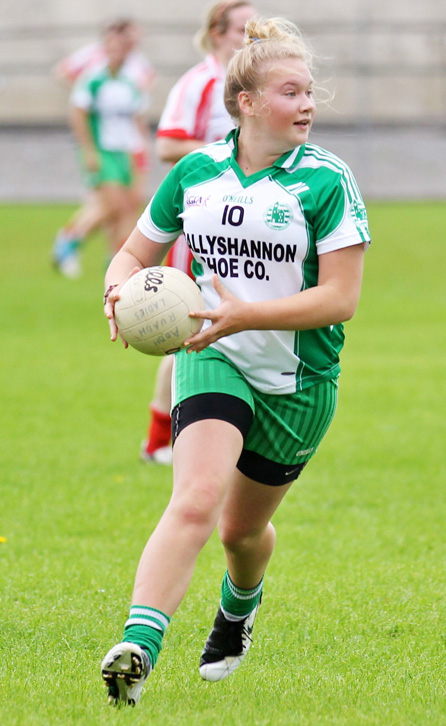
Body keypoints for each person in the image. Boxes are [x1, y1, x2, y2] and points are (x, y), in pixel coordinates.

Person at [101, 16, 371, 706]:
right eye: (290, 91)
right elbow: (137, 252)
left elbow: (339, 300)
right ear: (246, 102)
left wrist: (245, 314)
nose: (307, 104)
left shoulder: (327, 182)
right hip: (211, 356)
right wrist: (117, 285)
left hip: (299, 379)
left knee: (240, 531)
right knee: (192, 500)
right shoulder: (196, 174)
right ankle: (137, 647)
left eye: (310, 91)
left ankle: (237, 610)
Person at [140, 0, 256, 465]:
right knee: (191, 332)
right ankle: (161, 439)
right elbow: (168, 142)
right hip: (201, 231)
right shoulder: (201, 82)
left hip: (245, 229)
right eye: (244, 29)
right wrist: (226, 150)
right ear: (217, 33)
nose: (252, 39)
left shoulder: (251, 87)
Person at [52, 19, 154, 277]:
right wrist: (88, 151)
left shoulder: (132, 76)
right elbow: (78, 113)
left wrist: (143, 150)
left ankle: (114, 263)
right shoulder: (94, 76)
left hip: (127, 150)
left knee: (129, 207)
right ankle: (68, 241)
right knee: (113, 205)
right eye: (118, 41)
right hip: (103, 149)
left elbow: (138, 117)